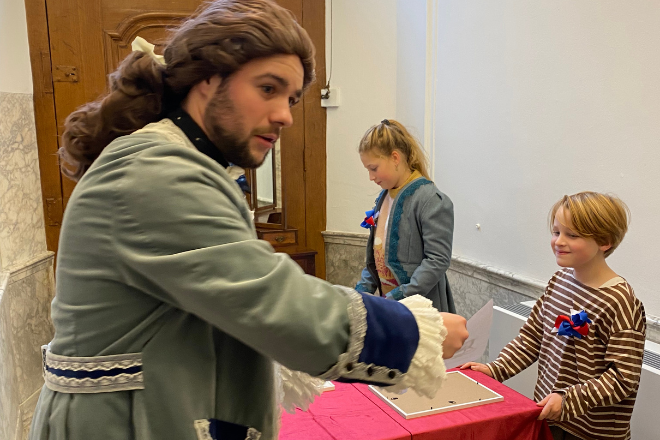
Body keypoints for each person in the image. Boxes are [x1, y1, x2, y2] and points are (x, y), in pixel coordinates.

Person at [28, 1, 469, 440]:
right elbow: (268, 296)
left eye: (291, 98)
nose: (285, 115)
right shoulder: (155, 167)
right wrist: (413, 332)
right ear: (206, 79)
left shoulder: (181, 161)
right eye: (267, 88)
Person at [461, 192, 645, 440]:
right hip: (552, 418)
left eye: (572, 235)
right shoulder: (558, 282)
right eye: (556, 232)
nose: (559, 241)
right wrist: (495, 370)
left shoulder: (620, 302)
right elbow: (531, 338)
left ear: (605, 241)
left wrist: (568, 400)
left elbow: (623, 378)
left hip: (592, 432)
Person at [355, 119, 456, 312]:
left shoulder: (431, 200)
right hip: (391, 307)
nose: (371, 177)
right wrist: (362, 294)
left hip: (421, 308)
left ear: (395, 157)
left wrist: (397, 297)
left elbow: (437, 260)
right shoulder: (383, 197)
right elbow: (375, 260)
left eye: (373, 168)